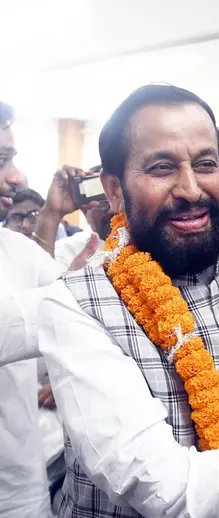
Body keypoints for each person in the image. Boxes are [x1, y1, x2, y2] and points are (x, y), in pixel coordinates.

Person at [37, 85, 219, 518]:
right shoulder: (77, 303)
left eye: (206, 164)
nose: (190, 188)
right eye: (161, 168)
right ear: (113, 190)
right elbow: (152, 481)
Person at [0, 100, 98, 518]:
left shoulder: (15, 248)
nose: (16, 177)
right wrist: (73, 296)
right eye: (2, 160)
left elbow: (74, 323)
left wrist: (55, 213)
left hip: (19, 490)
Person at [55, 165, 115, 270]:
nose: (113, 210)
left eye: (117, 200)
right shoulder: (67, 249)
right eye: (102, 204)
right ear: (85, 211)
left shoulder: (146, 244)